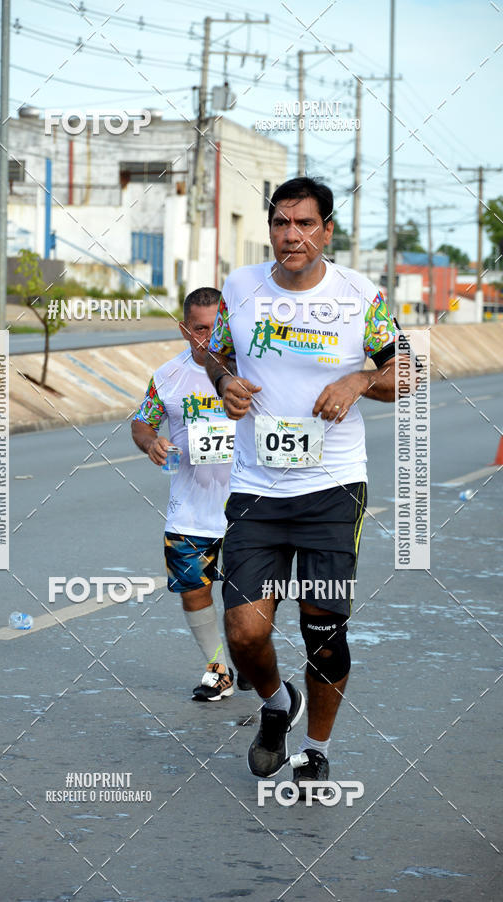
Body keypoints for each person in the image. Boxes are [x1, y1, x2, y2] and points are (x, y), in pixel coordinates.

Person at [205, 176, 404, 797]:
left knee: (323, 631)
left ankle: (316, 750)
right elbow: (215, 354)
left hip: (332, 488)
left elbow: (406, 372)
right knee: (244, 631)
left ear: (327, 231)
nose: (291, 236)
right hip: (256, 487)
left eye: (304, 224)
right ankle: (275, 702)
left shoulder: (359, 295)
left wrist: (359, 380)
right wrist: (224, 382)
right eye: (280, 223)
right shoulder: (240, 287)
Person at [132, 287, 252, 701]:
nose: (209, 338)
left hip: (248, 506)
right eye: (200, 329)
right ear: (184, 330)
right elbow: (142, 422)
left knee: (248, 597)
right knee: (194, 590)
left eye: (217, 328)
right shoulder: (168, 375)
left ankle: (249, 654)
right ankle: (218, 669)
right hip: (189, 510)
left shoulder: (252, 368)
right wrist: (151, 442)